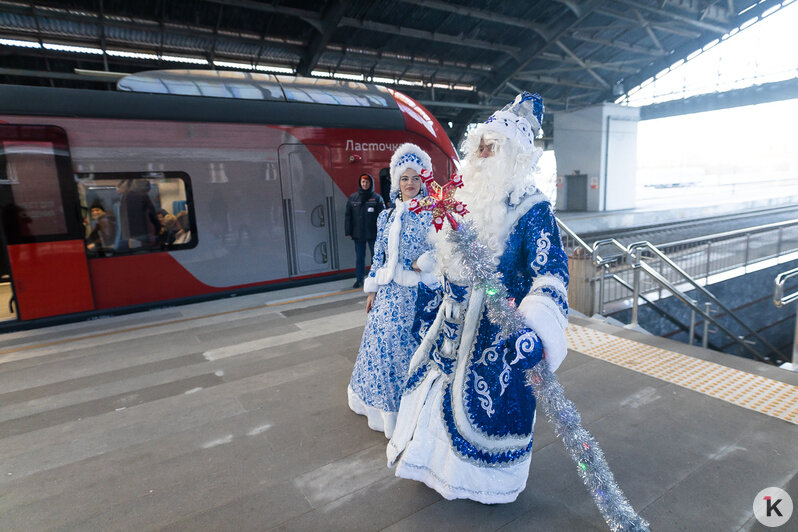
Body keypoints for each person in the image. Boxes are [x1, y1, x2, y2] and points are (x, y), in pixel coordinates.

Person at [387, 93, 570, 504]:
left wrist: (536, 325)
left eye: (493, 146)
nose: (484, 152)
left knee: (481, 416)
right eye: (481, 145)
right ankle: (435, 471)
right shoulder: (462, 196)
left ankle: (479, 486)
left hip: (498, 336)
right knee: (432, 396)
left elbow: (552, 273)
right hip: (447, 329)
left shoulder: (533, 209)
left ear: (515, 154)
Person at [347, 143, 440, 438]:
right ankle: (381, 410)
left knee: (408, 354)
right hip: (387, 295)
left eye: (415, 178)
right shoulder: (385, 216)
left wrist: (422, 263)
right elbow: (379, 256)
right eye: (404, 178)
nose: (410, 184)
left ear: (422, 181)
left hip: (416, 298)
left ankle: (409, 413)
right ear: (396, 182)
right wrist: (372, 288)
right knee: (381, 351)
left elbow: (443, 252)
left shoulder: (432, 214)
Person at [345, 173, 385, 288]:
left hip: (373, 234)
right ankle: (359, 279)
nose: (365, 184)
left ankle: (376, 278)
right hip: (358, 234)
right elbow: (348, 216)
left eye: (367, 182)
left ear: (371, 183)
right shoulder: (353, 198)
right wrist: (348, 231)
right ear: (360, 183)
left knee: (375, 257)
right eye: (363, 182)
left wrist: (382, 233)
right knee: (359, 258)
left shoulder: (377, 198)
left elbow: (382, 217)